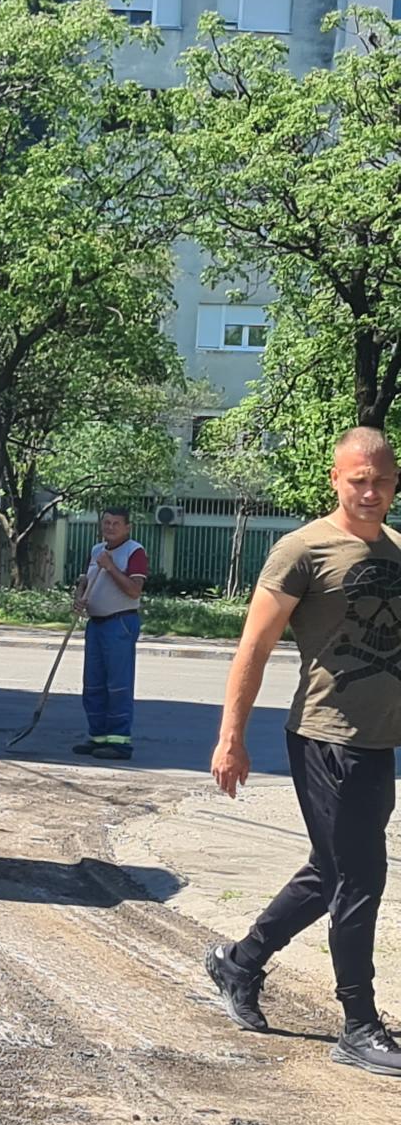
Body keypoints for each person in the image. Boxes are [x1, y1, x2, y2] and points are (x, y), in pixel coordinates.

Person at [206, 427, 401, 1077]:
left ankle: (240, 962)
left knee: (332, 871)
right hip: (325, 737)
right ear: (335, 478)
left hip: (378, 743)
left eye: (381, 480)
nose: (370, 492)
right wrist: (231, 737)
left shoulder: (400, 551)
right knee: (359, 877)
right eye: (358, 480)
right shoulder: (303, 549)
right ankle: (358, 1024)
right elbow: (253, 649)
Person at [71, 507, 149, 760]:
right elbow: (86, 580)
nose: (110, 527)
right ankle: (98, 736)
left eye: (116, 523)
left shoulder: (134, 552)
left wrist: (112, 567)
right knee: (93, 684)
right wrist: (79, 597)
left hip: (120, 623)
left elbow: (134, 591)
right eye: (106, 522)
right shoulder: (96, 551)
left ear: (127, 527)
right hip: (96, 624)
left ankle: (119, 742)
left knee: (117, 685)